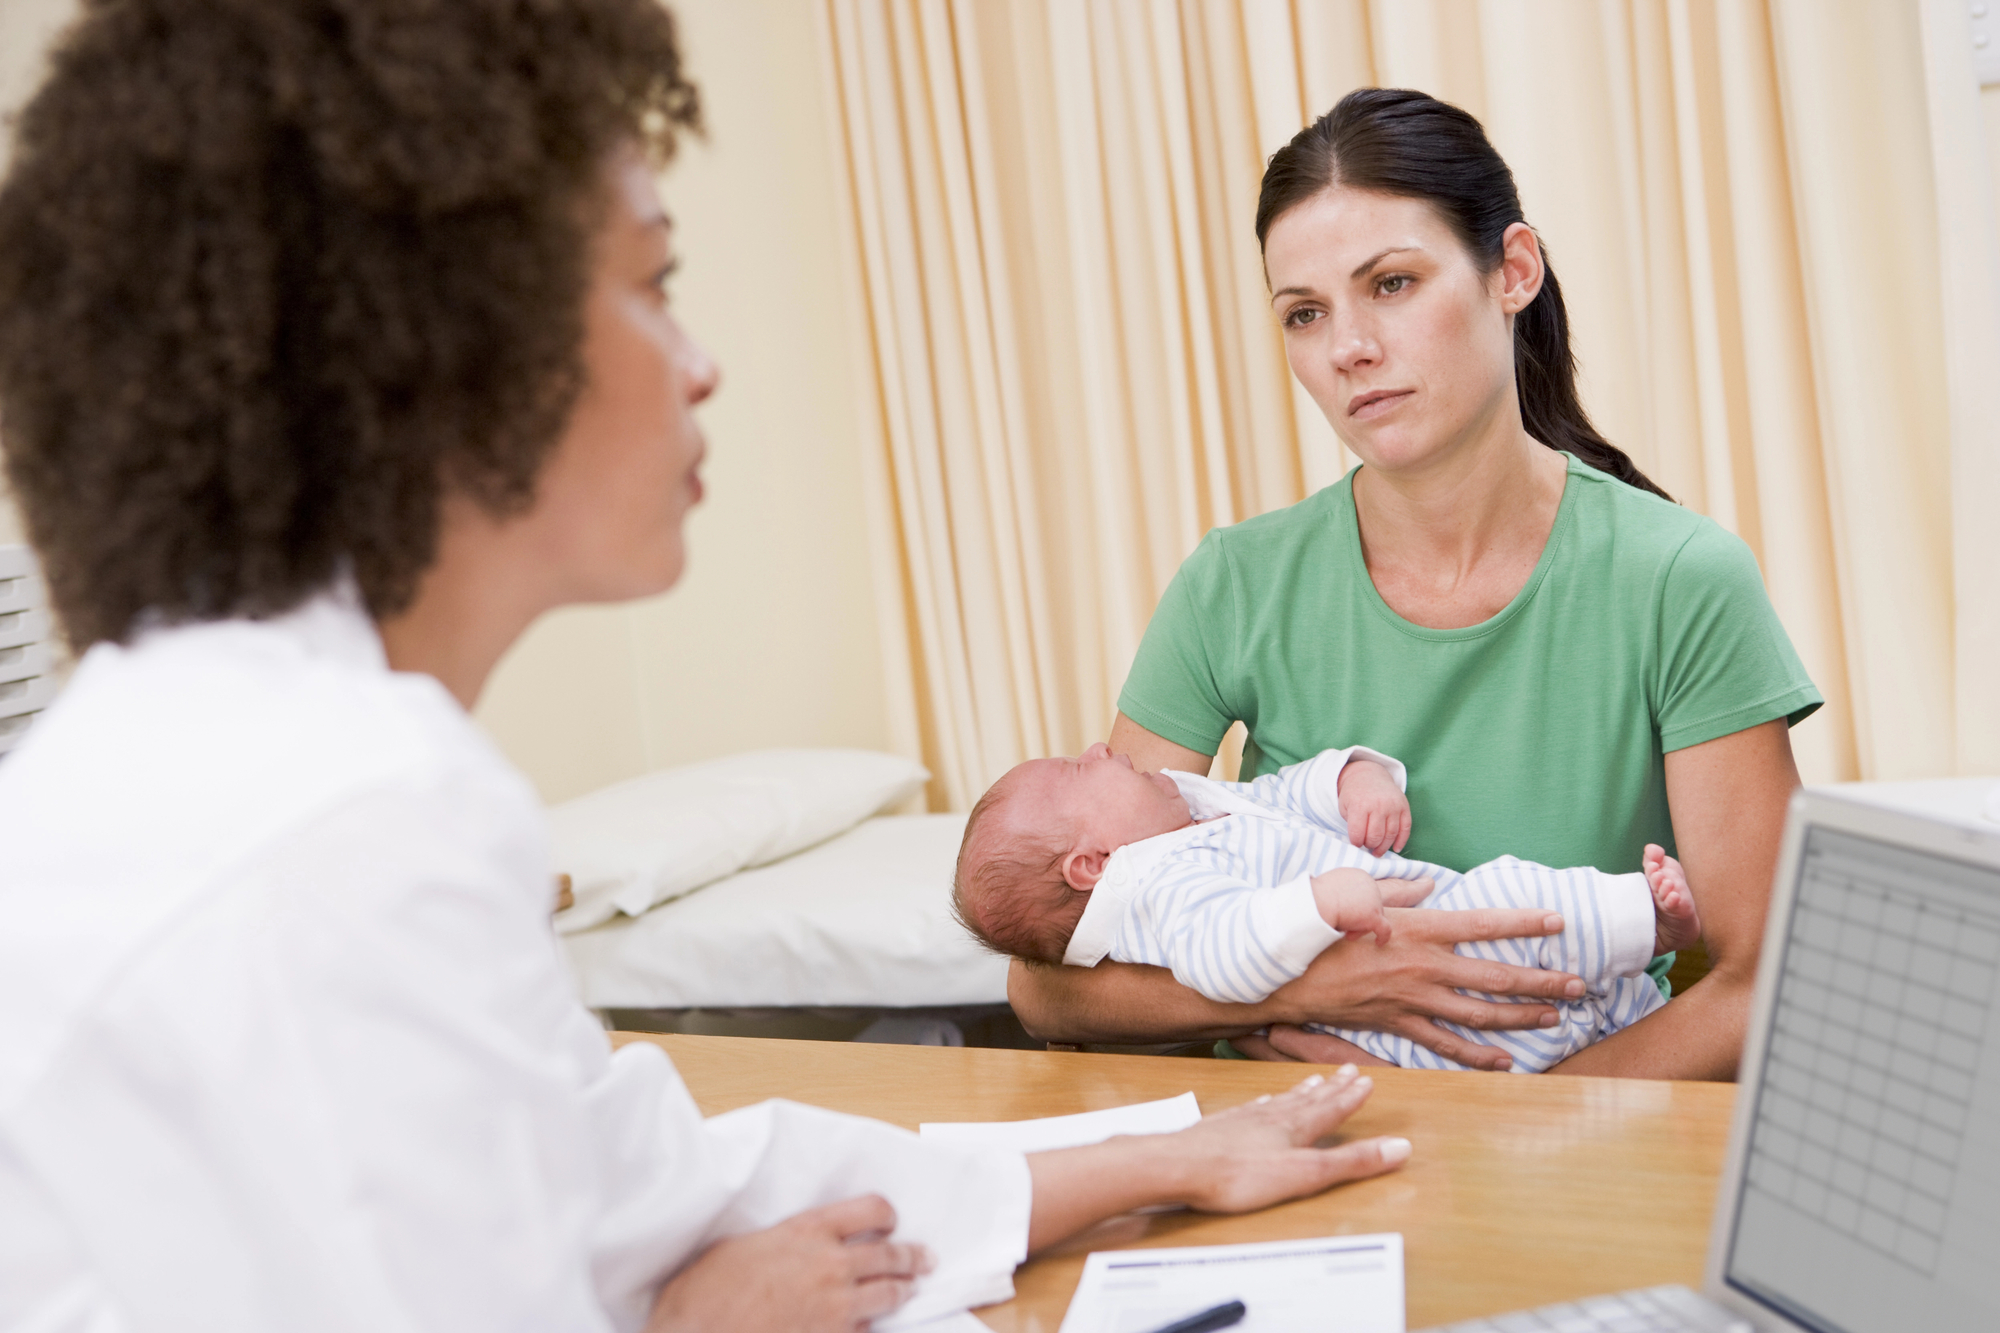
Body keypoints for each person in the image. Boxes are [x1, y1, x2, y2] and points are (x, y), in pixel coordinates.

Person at [0, 4, 1411, 1331]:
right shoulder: (335, 816)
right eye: (655, 283)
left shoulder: (271, 753)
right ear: (454, 341)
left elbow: (651, 1183)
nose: (700, 365)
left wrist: (1176, 1160)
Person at [1007, 88, 1821, 1080]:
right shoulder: (1234, 583)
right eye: (1302, 314)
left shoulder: (1675, 578)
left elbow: (1759, 975)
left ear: (1510, 272)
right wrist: (1315, 986)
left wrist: (1516, 1132)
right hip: (1292, 1142)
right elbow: (1043, 983)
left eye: (1390, 284)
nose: (1347, 347)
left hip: (1561, 1135)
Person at [954, 742, 1700, 1072]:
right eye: (1076, 768)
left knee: (1564, 973)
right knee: (1509, 895)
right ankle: (1652, 919)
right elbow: (1222, 956)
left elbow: (1283, 794)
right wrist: (1318, 903)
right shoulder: (1161, 886)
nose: (1097, 746)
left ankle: (1632, 986)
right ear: (1090, 866)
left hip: (1431, 959)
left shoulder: (1192, 812)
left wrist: (1354, 780)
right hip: (1396, 1008)